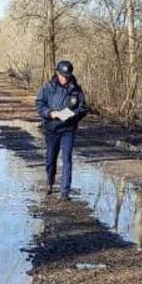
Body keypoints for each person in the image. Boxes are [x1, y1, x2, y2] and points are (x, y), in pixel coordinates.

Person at [35, 59, 88, 198]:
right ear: (57, 73)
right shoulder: (48, 87)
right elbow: (39, 104)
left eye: (67, 76)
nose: (64, 78)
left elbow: (83, 108)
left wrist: (71, 116)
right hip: (51, 128)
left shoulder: (76, 90)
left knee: (67, 159)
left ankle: (65, 191)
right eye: (62, 75)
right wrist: (50, 113)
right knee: (50, 159)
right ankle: (50, 183)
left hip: (68, 129)